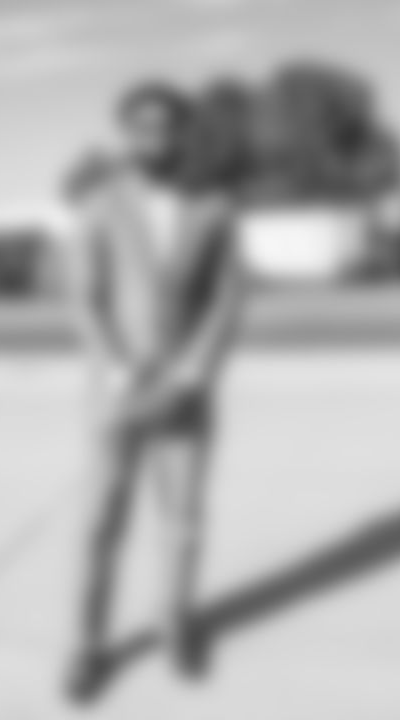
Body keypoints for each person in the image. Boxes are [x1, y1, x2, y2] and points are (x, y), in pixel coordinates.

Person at [60, 79, 253, 704]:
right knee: (100, 524)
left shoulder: (216, 207)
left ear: (183, 132)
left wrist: (198, 367)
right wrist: (114, 365)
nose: (156, 136)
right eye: (142, 125)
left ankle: (175, 624)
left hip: (187, 392)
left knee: (184, 521)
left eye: (168, 125)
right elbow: (84, 298)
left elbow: (229, 297)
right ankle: (87, 646)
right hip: (118, 395)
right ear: (127, 133)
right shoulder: (98, 204)